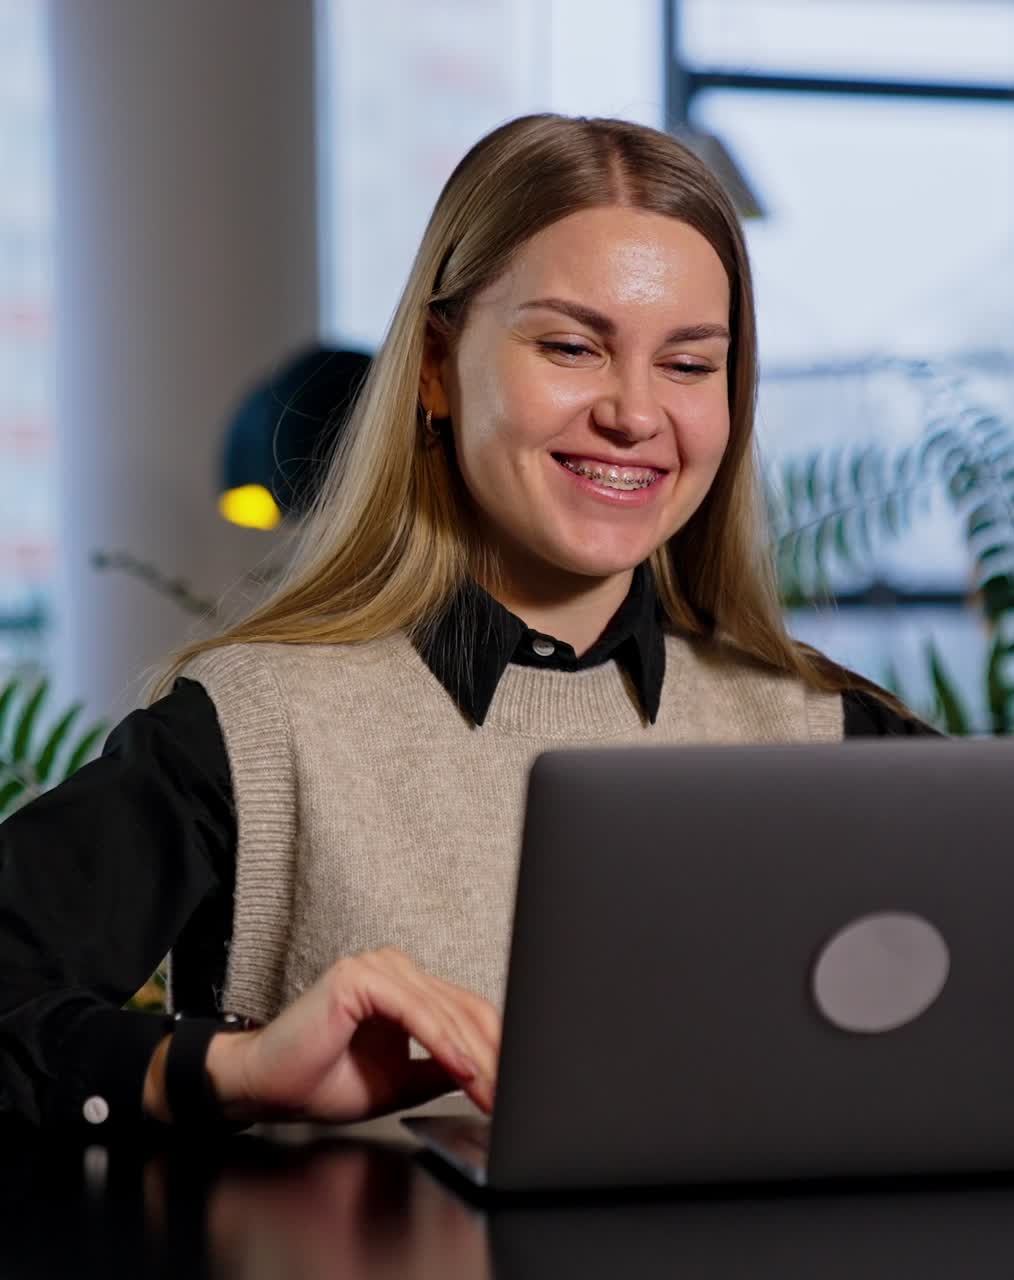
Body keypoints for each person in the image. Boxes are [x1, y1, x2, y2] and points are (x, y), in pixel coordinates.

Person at [1, 110, 958, 1140]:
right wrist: (231, 1070)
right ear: (432, 367)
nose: (634, 414)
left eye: (687, 364)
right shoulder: (254, 730)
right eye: (570, 345)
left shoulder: (840, 739)